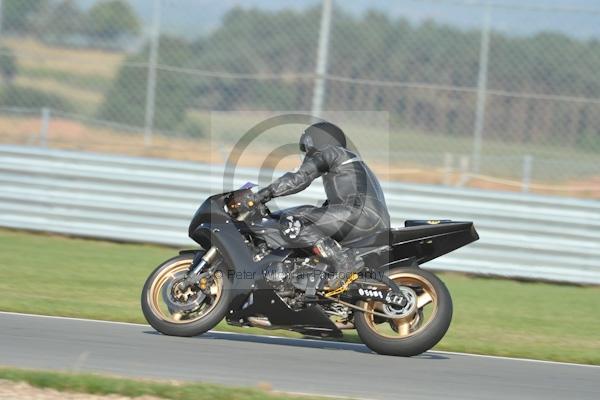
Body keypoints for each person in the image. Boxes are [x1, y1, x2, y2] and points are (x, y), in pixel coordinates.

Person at [255, 122, 390, 293]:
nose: (306, 153)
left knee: (293, 221)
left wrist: (262, 195)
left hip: (360, 215)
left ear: (316, 141)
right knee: (304, 214)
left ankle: (342, 261)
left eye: (307, 147)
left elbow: (300, 178)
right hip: (368, 218)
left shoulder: (333, 152)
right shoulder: (352, 163)